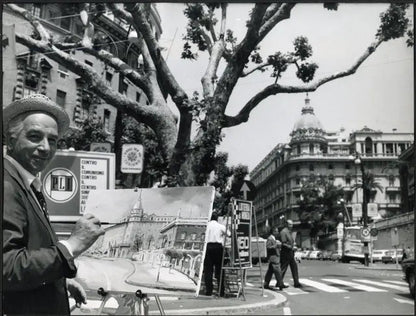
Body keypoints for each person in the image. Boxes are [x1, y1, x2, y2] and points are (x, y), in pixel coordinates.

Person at [3, 94, 105, 314]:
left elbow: (28, 251)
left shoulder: (24, 181)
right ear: (10, 140)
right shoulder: (6, 184)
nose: (45, 147)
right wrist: (72, 245)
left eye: (53, 140)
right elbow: (7, 267)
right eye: (34, 136)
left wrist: (58, 283)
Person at [203, 211, 228, 296]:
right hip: (218, 248)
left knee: (208, 270)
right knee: (219, 270)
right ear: (217, 219)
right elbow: (229, 234)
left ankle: (208, 290)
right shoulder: (221, 226)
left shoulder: (207, 226)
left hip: (208, 247)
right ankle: (221, 290)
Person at [264, 226, 288, 291]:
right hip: (273, 258)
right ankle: (280, 284)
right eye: (276, 231)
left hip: (275, 257)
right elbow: (268, 247)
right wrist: (276, 245)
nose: (278, 232)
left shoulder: (273, 238)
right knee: (278, 272)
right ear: (273, 232)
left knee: (270, 272)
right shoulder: (270, 238)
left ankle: (266, 284)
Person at [279, 219, 302, 288]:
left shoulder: (289, 232)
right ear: (286, 224)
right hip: (285, 253)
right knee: (283, 268)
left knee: (294, 267)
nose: (291, 226)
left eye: (292, 224)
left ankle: (296, 282)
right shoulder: (283, 232)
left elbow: (289, 242)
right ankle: (279, 282)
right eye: (290, 224)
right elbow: (283, 243)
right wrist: (291, 247)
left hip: (290, 253)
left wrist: (293, 245)